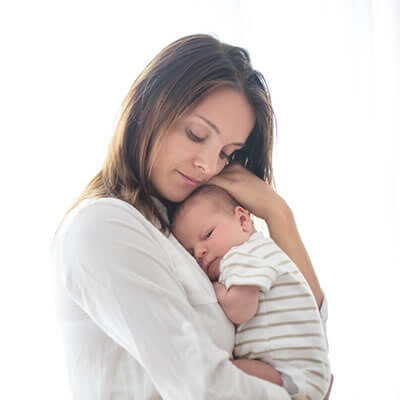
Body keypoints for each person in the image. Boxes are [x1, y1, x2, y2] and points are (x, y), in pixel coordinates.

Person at [51, 34, 331, 399]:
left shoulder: (192, 240)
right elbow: (201, 388)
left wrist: (280, 216)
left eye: (226, 154)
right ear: (150, 107)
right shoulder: (103, 227)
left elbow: (302, 342)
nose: (208, 166)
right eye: (197, 134)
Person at [171, 184, 331, 399]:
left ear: (243, 221)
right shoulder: (257, 252)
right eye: (191, 252)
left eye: (208, 234)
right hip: (305, 376)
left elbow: (240, 309)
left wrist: (218, 290)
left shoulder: (243, 255)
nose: (200, 252)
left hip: (292, 375)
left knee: (220, 374)